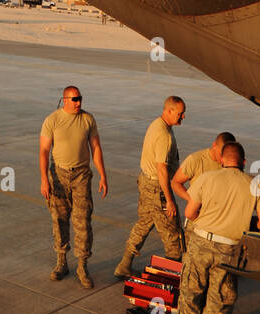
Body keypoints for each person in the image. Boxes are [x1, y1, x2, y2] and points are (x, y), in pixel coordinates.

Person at [176, 141, 260, 314]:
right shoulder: (254, 184)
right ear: (243, 162)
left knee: (190, 293)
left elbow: (189, 213)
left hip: (200, 243)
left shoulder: (207, 178)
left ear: (221, 160)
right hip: (228, 251)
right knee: (218, 303)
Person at [40, 85, 108, 288]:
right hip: (58, 175)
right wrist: (44, 180)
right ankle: (62, 263)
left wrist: (103, 176)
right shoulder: (52, 120)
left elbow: (95, 148)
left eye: (81, 99)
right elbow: (44, 151)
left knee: (83, 222)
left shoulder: (88, 119)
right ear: (65, 100)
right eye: (75, 99)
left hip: (81, 176)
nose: (79, 103)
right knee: (59, 220)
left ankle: (82, 266)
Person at [114, 97, 185, 277]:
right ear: (169, 111)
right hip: (157, 188)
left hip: (146, 182)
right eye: (180, 113)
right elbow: (161, 168)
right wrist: (169, 200)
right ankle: (171, 278)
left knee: (144, 223)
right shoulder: (164, 135)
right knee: (172, 235)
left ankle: (124, 264)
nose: (183, 117)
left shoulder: (157, 124)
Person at [171, 131, 237, 236]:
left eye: (226, 154)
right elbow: (176, 183)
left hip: (220, 219)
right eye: (221, 154)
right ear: (214, 145)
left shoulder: (231, 163)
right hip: (197, 218)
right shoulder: (195, 160)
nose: (222, 159)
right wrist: (192, 200)